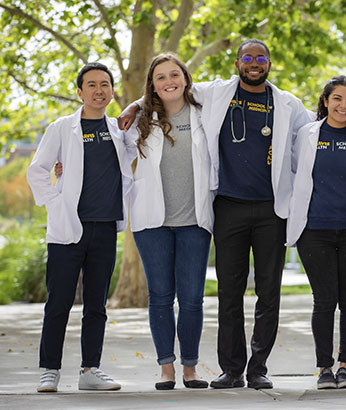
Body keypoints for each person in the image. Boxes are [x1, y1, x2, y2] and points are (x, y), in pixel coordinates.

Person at [118, 39, 312, 389]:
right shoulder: (216, 93)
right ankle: (232, 369)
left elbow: (314, 129)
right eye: (248, 57)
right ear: (237, 62)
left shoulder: (287, 103)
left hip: (272, 209)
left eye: (261, 58)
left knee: (269, 292)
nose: (254, 63)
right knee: (229, 292)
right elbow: (167, 87)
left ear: (269, 62)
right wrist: (134, 105)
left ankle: (259, 368)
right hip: (228, 207)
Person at [27, 62, 135, 392]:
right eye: (91, 85)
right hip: (68, 229)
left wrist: (134, 105)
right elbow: (38, 170)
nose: (99, 90)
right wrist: (56, 203)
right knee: (58, 302)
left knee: (96, 306)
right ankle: (50, 370)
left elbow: (147, 129)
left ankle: (91, 369)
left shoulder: (119, 130)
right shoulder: (61, 128)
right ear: (79, 92)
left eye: (105, 84)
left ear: (112, 90)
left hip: (104, 227)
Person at [287, 75, 346, 389]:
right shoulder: (307, 134)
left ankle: (345, 366)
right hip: (315, 230)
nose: (343, 105)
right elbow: (294, 172)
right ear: (325, 100)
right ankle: (324, 367)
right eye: (337, 98)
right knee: (324, 301)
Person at [130, 53, 213, 390]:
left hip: (194, 220)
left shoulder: (205, 113)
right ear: (152, 84)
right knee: (161, 296)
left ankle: (190, 368)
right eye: (160, 77)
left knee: (192, 297)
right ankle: (166, 368)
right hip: (152, 222)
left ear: (186, 78)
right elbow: (113, 153)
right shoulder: (140, 119)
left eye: (174, 74)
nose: (169, 82)